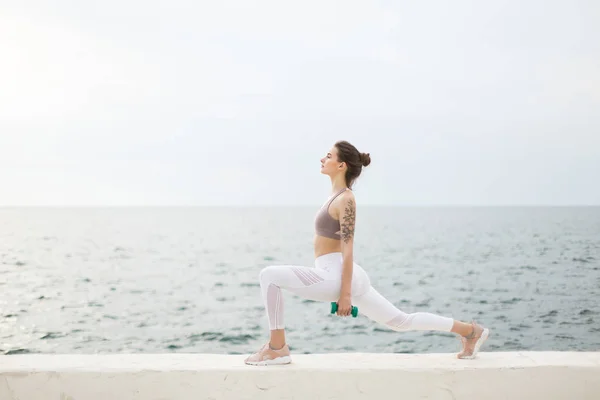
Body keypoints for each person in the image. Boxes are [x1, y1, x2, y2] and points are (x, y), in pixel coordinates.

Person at [244, 140, 490, 366]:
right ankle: (470, 331)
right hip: (336, 273)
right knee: (401, 322)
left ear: (341, 165)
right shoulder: (334, 196)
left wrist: (345, 294)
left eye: (328, 156)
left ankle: (277, 348)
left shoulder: (346, 199)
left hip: (339, 275)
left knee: (269, 275)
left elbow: (348, 250)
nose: (322, 159)